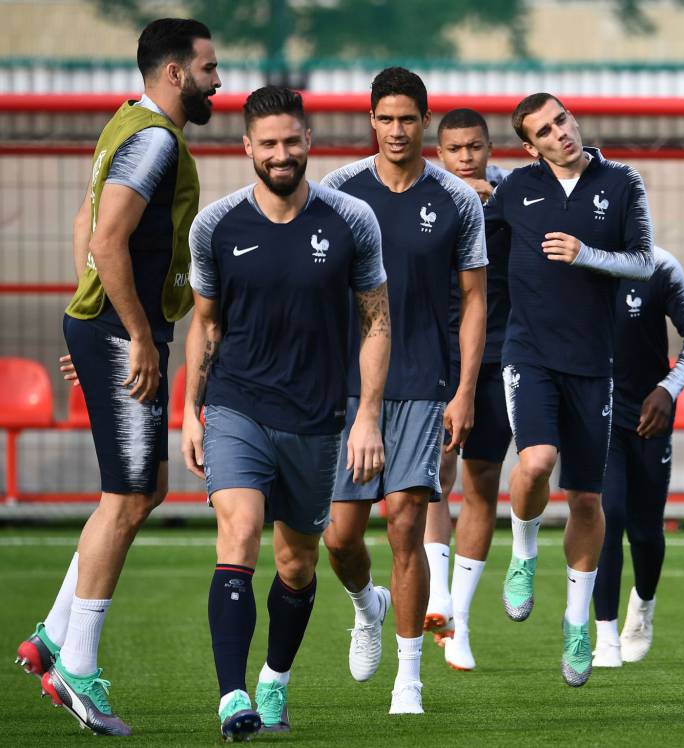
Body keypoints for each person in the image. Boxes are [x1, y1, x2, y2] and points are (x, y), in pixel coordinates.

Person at [13, 18, 220, 736]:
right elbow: (105, 236)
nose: (217, 81)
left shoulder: (126, 124)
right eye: (207, 68)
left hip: (107, 322)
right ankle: (75, 666)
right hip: (123, 331)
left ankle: (49, 637)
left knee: (147, 488)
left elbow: (84, 222)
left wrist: (91, 305)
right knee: (129, 495)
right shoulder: (158, 140)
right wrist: (130, 333)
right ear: (173, 73)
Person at [181, 87, 390, 740]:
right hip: (236, 404)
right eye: (266, 143)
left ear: (310, 141)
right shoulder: (215, 226)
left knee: (298, 562)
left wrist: (368, 417)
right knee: (239, 530)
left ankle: (273, 680)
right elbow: (205, 325)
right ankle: (232, 698)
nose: (280, 154)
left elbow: (377, 321)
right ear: (245, 147)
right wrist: (191, 411)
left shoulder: (352, 220)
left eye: (290, 141)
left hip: (318, 417)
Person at [320, 67, 488, 715]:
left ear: (426, 122)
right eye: (385, 119)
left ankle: (409, 678)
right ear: (372, 120)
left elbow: (474, 302)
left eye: (407, 119)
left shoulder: (456, 199)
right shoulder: (338, 193)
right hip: (348, 391)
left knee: (407, 526)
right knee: (338, 538)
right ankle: (368, 607)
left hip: (424, 382)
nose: (396, 130)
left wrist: (466, 389)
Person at [484, 92, 655, 687]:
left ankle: (578, 624)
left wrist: (588, 255)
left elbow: (643, 262)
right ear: (529, 147)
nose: (561, 133)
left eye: (563, 119)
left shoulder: (623, 181)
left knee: (587, 501)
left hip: (593, 363)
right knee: (535, 460)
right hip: (528, 354)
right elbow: (472, 247)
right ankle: (524, 553)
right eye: (546, 130)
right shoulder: (514, 191)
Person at [422, 108, 512, 672]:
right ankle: (437, 597)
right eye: (454, 149)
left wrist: (492, 201)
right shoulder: (426, 199)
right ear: (440, 152)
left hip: (500, 353)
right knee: (437, 473)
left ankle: (460, 623)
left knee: (482, 484)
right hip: (435, 354)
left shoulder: (515, 195)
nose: (465, 158)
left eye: (474, 147)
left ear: (487, 147)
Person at [591, 248, 684, 667]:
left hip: (649, 417)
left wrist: (668, 389)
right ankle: (605, 635)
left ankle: (642, 608)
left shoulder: (660, 267)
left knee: (644, 532)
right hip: (599, 415)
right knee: (609, 515)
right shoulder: (577, 261)